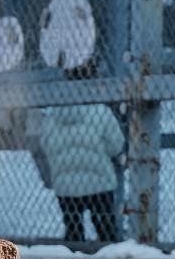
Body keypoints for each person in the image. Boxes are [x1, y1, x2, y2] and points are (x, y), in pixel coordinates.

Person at [28, 68, 125, 242]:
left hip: (65, 184)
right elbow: (116, 145)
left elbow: (46, 144)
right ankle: (108, 255)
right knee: (106, 228)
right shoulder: (100, 110)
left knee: (73, 227)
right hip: (99, 181)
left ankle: (73, 252)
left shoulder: (52, 114)